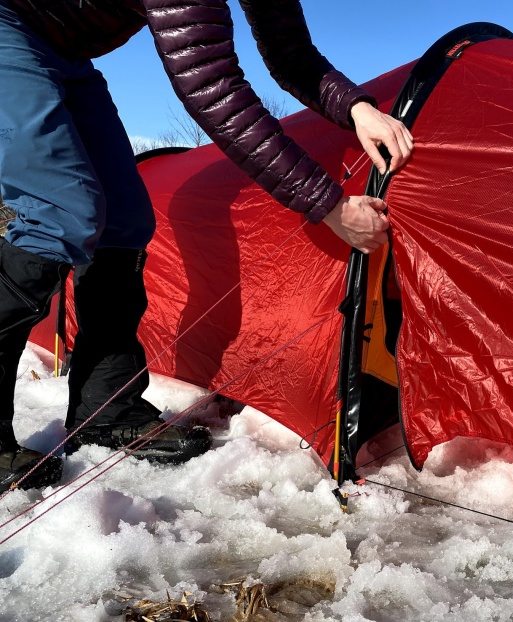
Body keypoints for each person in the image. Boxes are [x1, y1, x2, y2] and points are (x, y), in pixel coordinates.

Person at [0, 0, 414, 492]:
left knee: (124, 221)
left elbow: (290, 53)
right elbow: (214, 90)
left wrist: (358, 108)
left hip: (63, 50)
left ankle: (105, 412)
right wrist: (330, 206)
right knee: (60, 213)